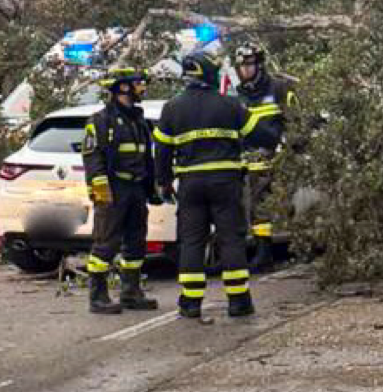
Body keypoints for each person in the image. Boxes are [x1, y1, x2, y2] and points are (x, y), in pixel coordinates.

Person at [154, 52, 254, 319]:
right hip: (226, 182)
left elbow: (161, 150)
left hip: (191, 185)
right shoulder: (230, 105)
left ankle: (190, 302)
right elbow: (259, 134)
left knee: (192, 241)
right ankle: (238, 301)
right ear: (210, 73)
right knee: (230, 239)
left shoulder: (172, 107)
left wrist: (163, 182)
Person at [80, 67, 159, 315]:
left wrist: (152, 188)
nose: (142, 88)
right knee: (106, 243)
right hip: (114, 189)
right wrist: (101, 192)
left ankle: (131, 292)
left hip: (136, 188)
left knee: (136, 242)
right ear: (123, 87)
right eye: (137, 83)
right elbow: (92, 157)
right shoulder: (101, 121)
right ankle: (98, 296)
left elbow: (146, 158)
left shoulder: (139, 120)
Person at [231, 42, 292, 269]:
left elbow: (296, 122)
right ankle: (246, 252)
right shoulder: (238, 94)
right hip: (244, 158)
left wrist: (285, 147)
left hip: (274, 156)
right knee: (241, 205)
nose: (245, 70)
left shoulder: (278, 88)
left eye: (249, 65)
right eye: (241, 66)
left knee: (261, 203)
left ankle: (264, 254)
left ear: (259, 65)